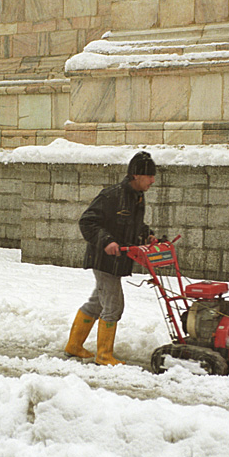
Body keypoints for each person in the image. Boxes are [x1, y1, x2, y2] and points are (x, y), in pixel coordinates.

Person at [66, 151, 157, 365]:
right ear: (136, 175)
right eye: (149, 176)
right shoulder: (112, 195)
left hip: (118, 260)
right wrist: (107, 241)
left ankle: (74, 345)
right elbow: (87, 222)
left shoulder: (137, 197)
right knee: (113, 306)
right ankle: (104, 355)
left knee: (97, 303)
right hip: (103, 259)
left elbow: (133, 225)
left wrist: (147, 234)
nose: (153, 180)